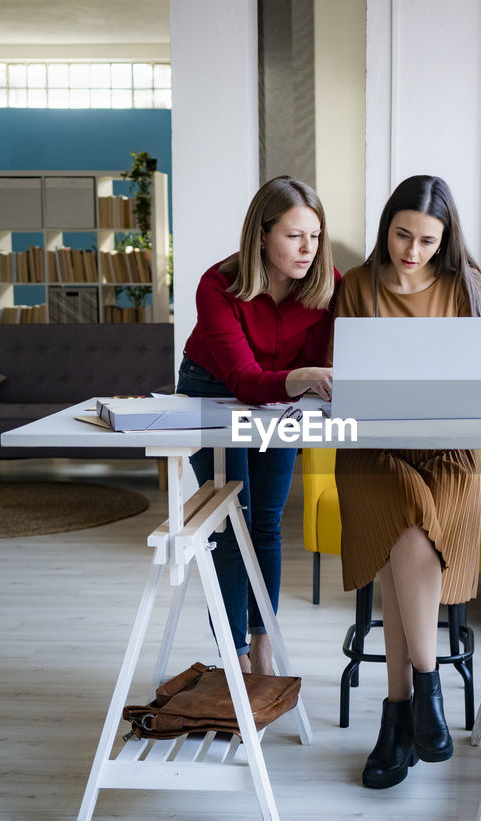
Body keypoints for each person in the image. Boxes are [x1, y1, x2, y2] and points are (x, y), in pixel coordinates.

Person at [332, 175, 481, 789]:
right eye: (403, 235)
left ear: (446, 239)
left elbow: (477, 379)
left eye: (428, 240)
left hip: (448, 450)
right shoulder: (359, 285)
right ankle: (429, 689)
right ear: (386, 227)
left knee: (413, 529)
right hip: (373, 450)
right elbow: (347, 377)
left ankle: (397, 716)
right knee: (404, 512)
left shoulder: (465, 286)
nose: (413, 251)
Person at [177, 175, 337, 675]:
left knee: (265, 522)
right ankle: (236, 654)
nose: (308, 248)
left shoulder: (327, 285)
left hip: (282, 401)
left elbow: (325, 365)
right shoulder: (216, 284)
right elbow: (246, 379)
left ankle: (263, 639)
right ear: (262, 235)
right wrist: (305, 377)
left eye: (315, 234)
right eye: (294, 235)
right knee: (230, 519)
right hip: (213, 389)